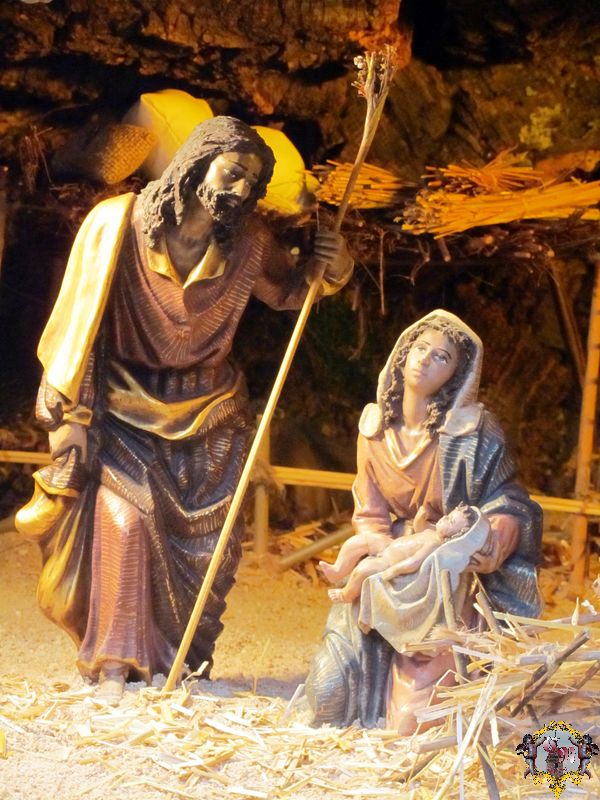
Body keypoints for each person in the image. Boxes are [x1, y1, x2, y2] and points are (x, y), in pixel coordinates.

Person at [16, 116, 353, 703]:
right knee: (124, 525)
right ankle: (115, 664)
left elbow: (293, 292)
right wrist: (70, 411)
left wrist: (335, 262)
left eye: (252, 182)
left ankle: (178, 664)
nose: (240, 190)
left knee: (205, 553)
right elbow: (79, 321)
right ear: (197, 163)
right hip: (124, 409)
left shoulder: (248, 244)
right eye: (232, 172)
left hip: (210, 418)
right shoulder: (118, 226)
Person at [304, 310, 542, 733]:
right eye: (420, 348)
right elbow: (369, 512)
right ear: (403, 353)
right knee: (328, 693)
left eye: (442, 357)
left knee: (413, 721)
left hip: (445, 581)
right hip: (388, 573)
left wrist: (491, 539)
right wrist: (382, 547)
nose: (425, 360)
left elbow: (509, 502)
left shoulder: (474, 433)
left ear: (457, 375)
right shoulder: (374, 429)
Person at [320, 502, 480, 603]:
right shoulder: (434, 532)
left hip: (390, 561)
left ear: (456, 535)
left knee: (362, 571)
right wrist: (420, 520)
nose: (444, 518)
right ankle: (337, 570)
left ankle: (346, 595)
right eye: (448, 515)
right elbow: (420, 530)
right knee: (359, 542)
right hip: (390, 545)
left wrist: (394, 570)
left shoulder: (435, 545)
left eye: (450, 521)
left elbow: (415, 562)